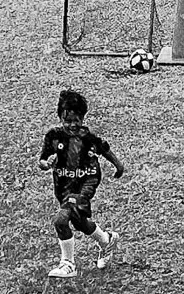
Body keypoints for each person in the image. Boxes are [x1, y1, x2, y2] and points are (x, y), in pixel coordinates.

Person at [37, 88, 124, 278]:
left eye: (76, 120)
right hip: (63, 185)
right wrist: (47, 163)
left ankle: (68, 264)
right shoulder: (53, 137)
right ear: (60, 118)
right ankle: (106, 240)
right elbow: (42, 161)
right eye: (67, 120)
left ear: (83, 119)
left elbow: (105, 150)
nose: (72, 124)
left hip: (86, 182)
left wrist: (118, 166)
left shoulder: (87, 138)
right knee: (78, 221)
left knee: (60, 221)